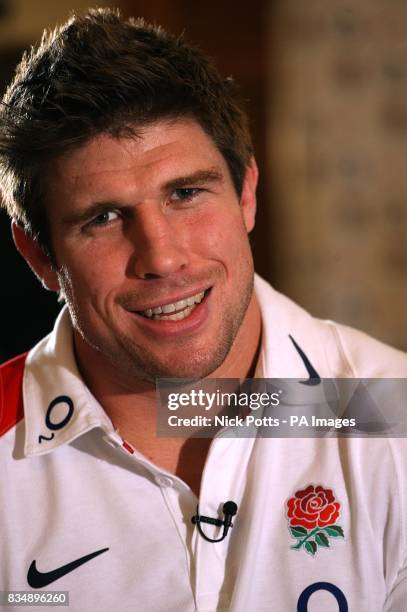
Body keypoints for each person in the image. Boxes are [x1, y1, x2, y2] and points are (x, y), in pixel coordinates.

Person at [0, 8, 406, 611]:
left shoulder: (392, 413)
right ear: (38, 256)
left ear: (245, 193)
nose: (161, 258)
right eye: (103, 218)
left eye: (186, 194)